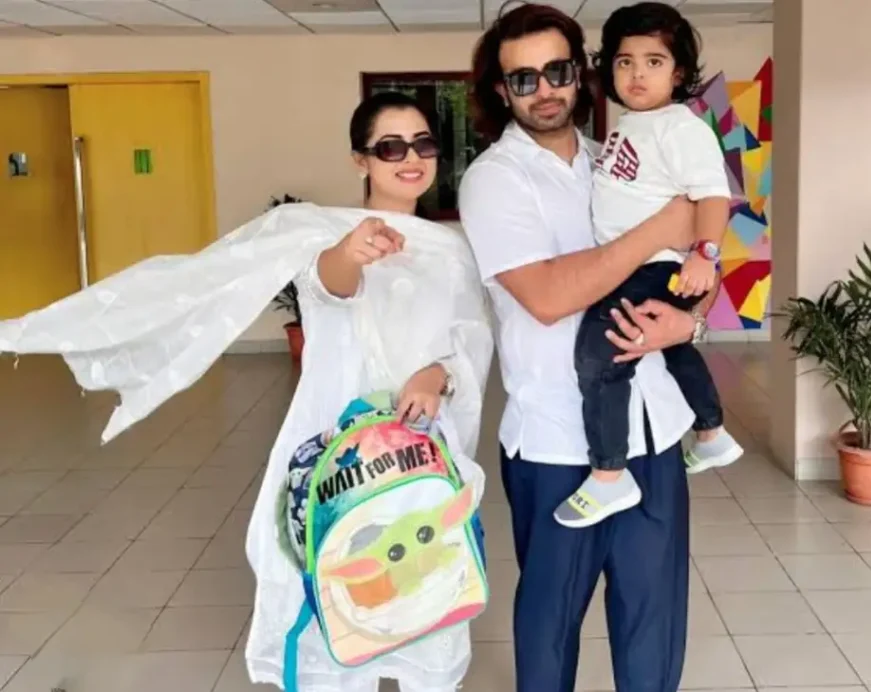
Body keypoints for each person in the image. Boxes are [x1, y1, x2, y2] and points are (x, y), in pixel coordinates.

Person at [0, 92, 493, 692]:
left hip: (420, 450)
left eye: (423, 144)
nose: (410, 158)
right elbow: (329, 286)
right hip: (336, 452)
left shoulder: (449, 249)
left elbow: (467, 340)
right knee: (337, 579)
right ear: (360, 160)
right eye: (390, 147)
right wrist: (349, 251)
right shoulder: (327, 235)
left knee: (426, 576)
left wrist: (436, 376)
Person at [458, 4, 700, 691]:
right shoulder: (494, 179)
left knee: (654, 623)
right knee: (550, 627)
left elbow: (688, 266)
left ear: (581, 74)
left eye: (558, 71)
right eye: (523, 78)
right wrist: (658, 226)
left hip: (652, 430)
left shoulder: (616, 161)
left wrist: (689, 325)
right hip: (556, 446)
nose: (544, 90)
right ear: (501, 90)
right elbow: (547, 295)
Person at [556, 2, 744, 528]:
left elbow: (713, 195)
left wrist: (705, 254)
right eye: (625, 62)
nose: (637, 74)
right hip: (639, 264)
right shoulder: (631, 125)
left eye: (654, 62)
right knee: (674, 347)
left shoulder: (680, 127)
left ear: (678, 73)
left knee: (601, 357)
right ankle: (711, 433)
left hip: (656, 266)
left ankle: (609, 475)